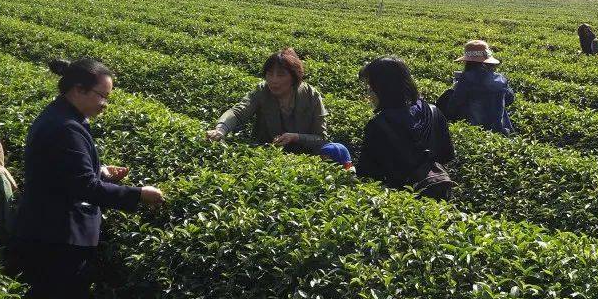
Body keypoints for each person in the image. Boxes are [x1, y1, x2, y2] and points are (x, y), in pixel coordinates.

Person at [8, 58, 164, 299]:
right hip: (57, 238)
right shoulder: (66, 128)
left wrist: (100, 171)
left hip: (46, 230)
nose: (105, 104)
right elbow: (85, 188)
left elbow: (63, 173)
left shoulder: (62, 116)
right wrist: (138, 194)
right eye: (101, 96)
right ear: (78, 90)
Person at [206, 48, 350, 159]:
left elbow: (321, 138)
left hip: (303, 162)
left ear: (294, 78)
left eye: (281, 75)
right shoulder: (262, 91)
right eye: (269, 74)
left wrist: (296, 137)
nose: (273, 80)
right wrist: (220, 129)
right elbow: (238, 112)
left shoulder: (311, 96)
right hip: (265, 155)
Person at [357, 57, 454, 199]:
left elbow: (367, 174)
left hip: (403, 203)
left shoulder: (378, 125)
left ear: (380, 88)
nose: (369, 93)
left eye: (370, 87)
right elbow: (447, 154)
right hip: (439, 193)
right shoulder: (433, 111)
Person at [446, 40, 515, 136]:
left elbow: (454, 105)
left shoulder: (466, 79)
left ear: (468, 62)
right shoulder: (501, 79)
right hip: (500, 131)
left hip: (474, 131)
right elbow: (510, 99)